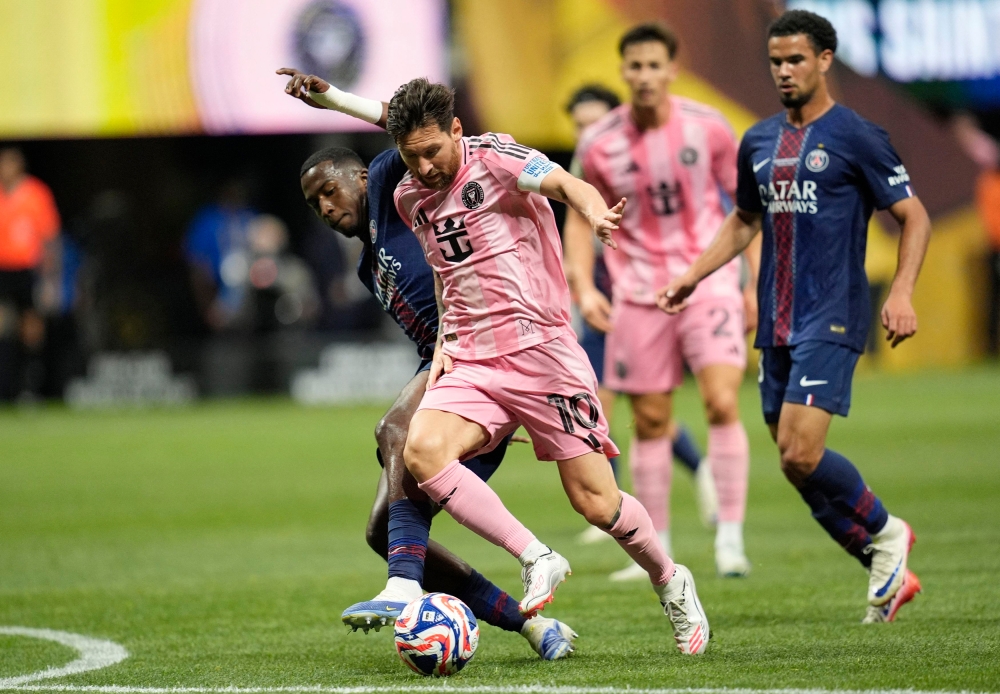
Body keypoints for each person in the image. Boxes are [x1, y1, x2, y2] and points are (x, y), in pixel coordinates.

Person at [288, 70, 711, 655]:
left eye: (433, 152)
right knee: (417, 447)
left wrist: (594, 211)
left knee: (596, 501)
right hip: (472, 358)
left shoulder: (494, 157)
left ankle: (669, 578)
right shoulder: (410, 197)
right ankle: (535, 557)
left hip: (541, 351)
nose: (424, 168)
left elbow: (565, 183)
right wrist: (444, 344)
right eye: (412, 157)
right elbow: (444, 275)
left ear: (456, 131)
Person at [658, 9, 931, 623]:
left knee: (804, 453)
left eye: (796, 60)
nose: (784, 71)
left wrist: (902, 291)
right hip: (776, 321)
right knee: (793, 463)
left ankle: (888, 532)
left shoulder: (857, 135)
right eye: (776, 61)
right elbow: (744, 220)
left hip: (832, 313)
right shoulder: (757, 140)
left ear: (825, 60)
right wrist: (693, 275)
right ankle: (882, 568)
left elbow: (914, 216)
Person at [285, 97, 577, 659]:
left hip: (485, 351)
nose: (323, 206)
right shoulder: (367, 267)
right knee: (383, 531)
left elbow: (410, 117)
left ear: (362, 176)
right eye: (313, 202)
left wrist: (332, 99)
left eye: (329, 190)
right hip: (452, 369)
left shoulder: (390, 187)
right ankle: (533, 627)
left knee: (394, 428)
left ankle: (404, 585)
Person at [565, 24, 759, 579]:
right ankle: (658, 550)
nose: (645, 76)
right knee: (650, 421)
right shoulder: (598, 142)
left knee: (721, 401)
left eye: (654, 65)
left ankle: (730, 540)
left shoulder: (710, 126)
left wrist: (752, 282)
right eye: (636, 66)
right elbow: (578, 218)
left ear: (673, 68)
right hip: (638, 291)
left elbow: (747, 209)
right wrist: (584, 287)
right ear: (623, 71)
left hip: (708, 280)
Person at [564, 85, 720, 550]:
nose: (586, 132)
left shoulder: (638, 169)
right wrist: (581, 288)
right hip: (598, 305)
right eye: (578, 125)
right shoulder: (576, 174)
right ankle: (685, 476)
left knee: (618, 410)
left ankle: (623, 507)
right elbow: (574, 238)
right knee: (612, 410)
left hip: (636, 302)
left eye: (593, 122)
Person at [0, 148, 61, 400]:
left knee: (31, 329)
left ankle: (31, 386)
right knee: (4, 327)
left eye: (9, 164)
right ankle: (6, 387)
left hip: (28, 270)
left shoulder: (37, 194)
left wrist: (50, 281)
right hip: (3, 270)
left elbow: (50, 239)